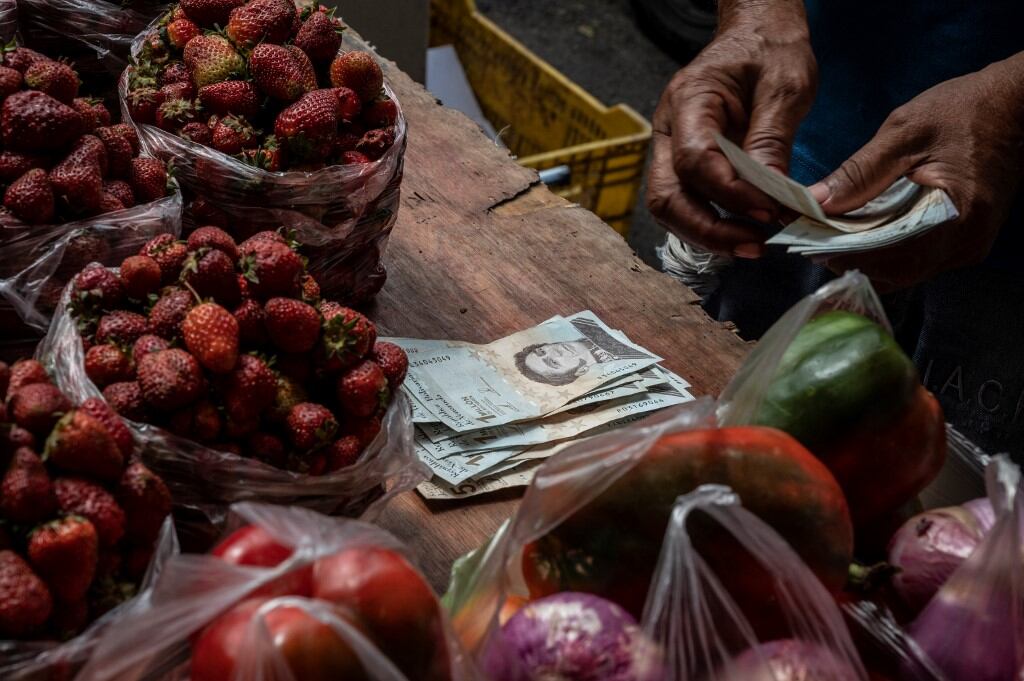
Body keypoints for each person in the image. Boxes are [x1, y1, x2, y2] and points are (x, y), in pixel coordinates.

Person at [646, 0, 1024, 457]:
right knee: (701, 428)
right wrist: (753, 14)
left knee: (946, 483)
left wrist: (1013, 106)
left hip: (1002, 269)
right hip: (784, 179)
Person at [513, 318, 653, 386]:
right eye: (553, 362)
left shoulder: (585, 323)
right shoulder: (629, 359)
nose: (555, 353)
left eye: (541, 351)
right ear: (581, 370)